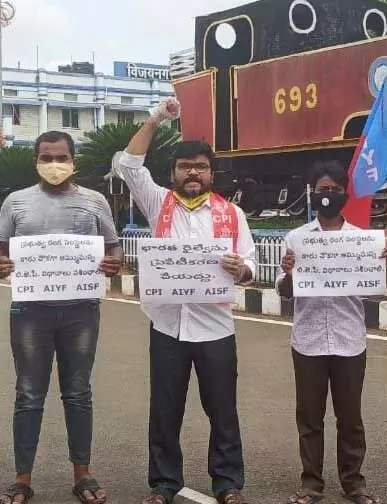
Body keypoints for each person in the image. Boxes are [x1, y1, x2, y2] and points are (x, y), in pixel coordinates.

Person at [112, 98, 256, 504]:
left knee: (222, 409)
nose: (193, 172)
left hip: (215, 327)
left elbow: (250, 263)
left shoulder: (232, 214)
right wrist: (157, 118)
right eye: (185, 166)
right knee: (165, 408)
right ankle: (163, 484)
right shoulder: (158, 203)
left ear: (212, 172)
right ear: (173, 172)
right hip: (168, 326)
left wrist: (240, 269)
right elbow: (127, 165)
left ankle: (228, 484)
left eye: (201, 166)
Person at [0, 130, 123, 504]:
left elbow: (112, 246)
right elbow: (0, 246)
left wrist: (114, 263)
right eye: (46, 157)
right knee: (28, 394)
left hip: (81, 311)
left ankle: (82, 474)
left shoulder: (95, 201)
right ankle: (22, 479)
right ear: (36, 160)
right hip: (30, 311)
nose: (54, 165)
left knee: (78, 394)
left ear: (73, 160)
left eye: (61, 157)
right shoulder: (16, 202)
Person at [276, 161, 387, 504]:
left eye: (334, 189)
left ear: (344, 194)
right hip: (308, 341)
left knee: (350, 417)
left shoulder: (363, 241)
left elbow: (378, 290)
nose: (328, 195)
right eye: (322, 190)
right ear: (312, 194)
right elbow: (285, 291)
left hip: (349, 340)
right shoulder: (297, 239)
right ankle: (311, 483)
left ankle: (353, 482)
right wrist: (288, 273)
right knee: (310, 417)